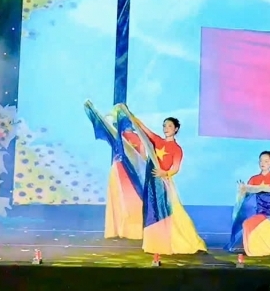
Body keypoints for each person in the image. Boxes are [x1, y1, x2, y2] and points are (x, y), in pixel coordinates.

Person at [125, 113, 208, 255]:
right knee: (153, 211)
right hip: (152, 184)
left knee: (172, 213)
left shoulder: (177, 149)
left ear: (176, 129)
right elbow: (144, 129)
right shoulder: (157, 141)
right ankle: (156, 242)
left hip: (164, 184)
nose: (166, 128)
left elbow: (175, 168)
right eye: (164, 126)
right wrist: (130, 115)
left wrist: (164, 173)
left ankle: (181, 240)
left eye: (170, 126)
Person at [83, 101, 143, 240]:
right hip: (119, 170)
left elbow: (142, 157)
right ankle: (121, 230)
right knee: (120, 200)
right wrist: (92, 109)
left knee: (132, 202)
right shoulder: (117, 136)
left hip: (131, 172)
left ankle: (131, 231)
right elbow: (104, 123)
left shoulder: (136, 137)